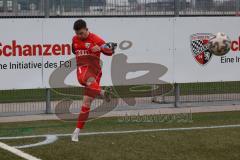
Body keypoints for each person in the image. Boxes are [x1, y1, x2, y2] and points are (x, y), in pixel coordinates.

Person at [71, 19, 117, 142]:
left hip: (95, 72)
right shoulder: (74, 39)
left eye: (81, 33)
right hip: (83, 69)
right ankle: (102, 93)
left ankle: (76, 132)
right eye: (77, 33)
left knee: (86, 103)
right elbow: (74, 50)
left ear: (87, 29)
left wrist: (101, 49)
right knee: (86, 79)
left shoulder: (96, 39)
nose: (79, 36)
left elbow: (110, 51)